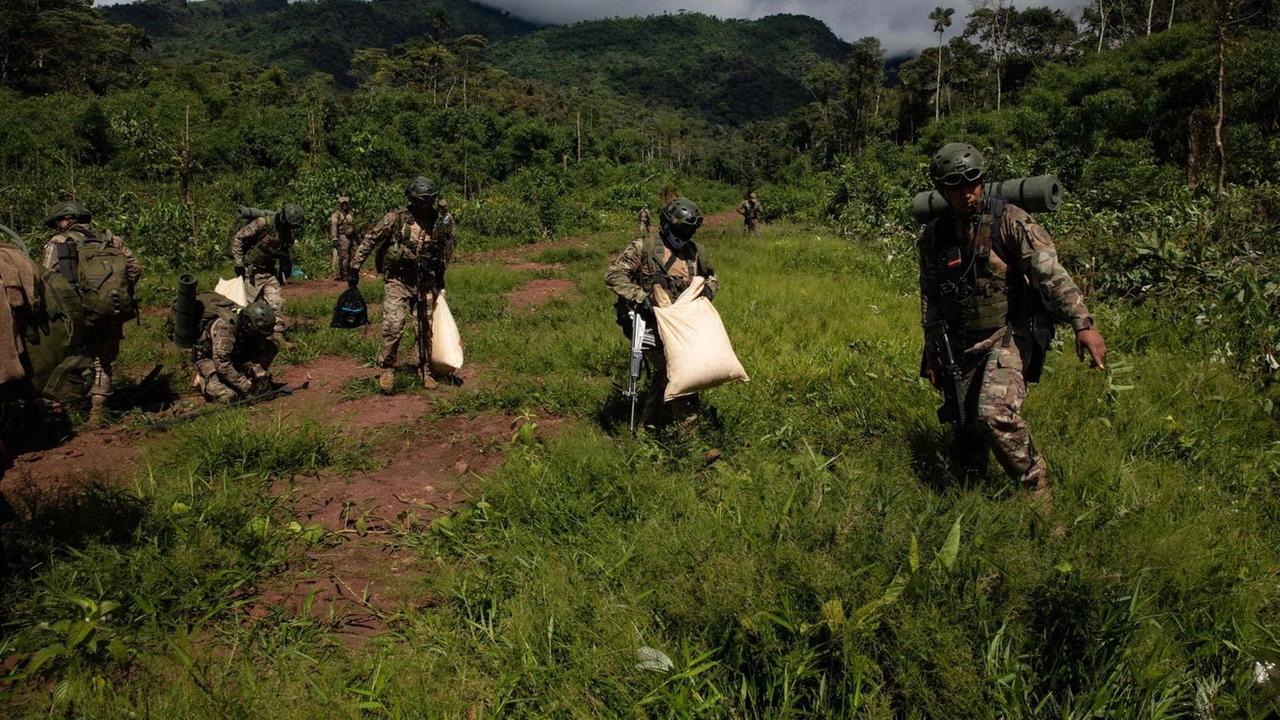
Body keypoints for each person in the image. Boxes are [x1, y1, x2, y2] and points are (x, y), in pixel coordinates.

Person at [917, 142, 1107, 499]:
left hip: (1008, 333)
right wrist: (932, 352)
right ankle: (972, 491)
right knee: (967, 430)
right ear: (941, 189)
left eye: (973, 181)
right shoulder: (934, 237)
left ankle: (1038, 488)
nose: (967, 192)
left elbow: (1051, 274)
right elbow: (930, 299)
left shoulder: (1011, 221)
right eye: (956, 184)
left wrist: (1083, 323)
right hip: (960, 341)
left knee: (993, 412)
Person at [605, 196, 718, 429]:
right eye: (683, 228)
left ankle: (648, 423)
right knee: (678, 366)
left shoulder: (694, 253)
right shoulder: (643, 247)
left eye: (691, 230)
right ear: (668, 225)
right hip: (646, 322)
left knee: (665, 371)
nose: (687, 234)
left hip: (681, 324)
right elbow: (614, 275)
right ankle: (690, 437)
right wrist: (640, 297)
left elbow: (713, 277)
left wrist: (709, 288)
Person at [348, 177, 456, 394]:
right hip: (398, 280)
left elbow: (445, 250)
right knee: (393, 326)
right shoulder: (395, 219)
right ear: (411, 199)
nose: (424, 205)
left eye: (429, 200)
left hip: (424, 280)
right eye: (420, 200)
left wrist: (440, 274)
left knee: (424, 327)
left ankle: (424, 368)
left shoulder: (438, 222)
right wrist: (354, 267)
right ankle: (387, 368)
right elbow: (370, 239)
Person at [41, 200, 142, 425]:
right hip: (111, 308)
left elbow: (46, 278)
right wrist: (116, 291)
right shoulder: (110, 239)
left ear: (65, 220)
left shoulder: (59, 241)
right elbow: (135, 267)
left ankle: (72, 410)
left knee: (70, 358)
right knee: (102, 360)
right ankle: (98, 412)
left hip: (75, 312)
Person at [231, 203, 303, 336]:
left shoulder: (288, 234)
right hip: (252, 272)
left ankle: (278, 334)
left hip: (270, 273)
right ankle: (238, 336)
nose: (290, 228)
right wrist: (238, 263)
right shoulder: (263, 223)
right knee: (245, 308)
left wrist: (285, 268)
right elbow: (239, 238)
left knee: (276, 303)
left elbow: (285, 253)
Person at [192, 301, 279, 403]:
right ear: (248, 322)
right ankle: (200, 379)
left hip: (231, 354)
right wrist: (248, 387)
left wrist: (259, 374)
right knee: (228, 396)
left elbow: (267, 344)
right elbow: (222, 364)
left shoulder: (250, 326)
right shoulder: (225, 328)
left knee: (272, 344)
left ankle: (245, 376)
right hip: (209, 358)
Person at [330, 196, 356, 281]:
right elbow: (334, 226)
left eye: (346, 203)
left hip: (351, 236)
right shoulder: (336, 214)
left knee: (354, 255)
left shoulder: (350, 213)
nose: (344, 205)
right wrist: (334, 238)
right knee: (344, 257)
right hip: (343, 236)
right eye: (342, 203)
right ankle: (344, 275)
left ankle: (351, 273)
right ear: (339, 204)